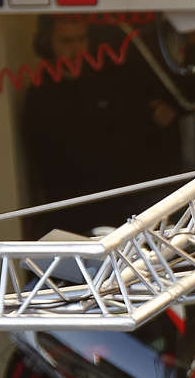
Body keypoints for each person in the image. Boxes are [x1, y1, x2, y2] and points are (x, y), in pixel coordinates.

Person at [19, 16, 181, 238]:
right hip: (75, 210)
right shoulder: (41, 96)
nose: (75, 49)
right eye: (66, 41)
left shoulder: (111, 81)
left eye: (81, 39)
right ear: (47, 44)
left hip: (126, 202)